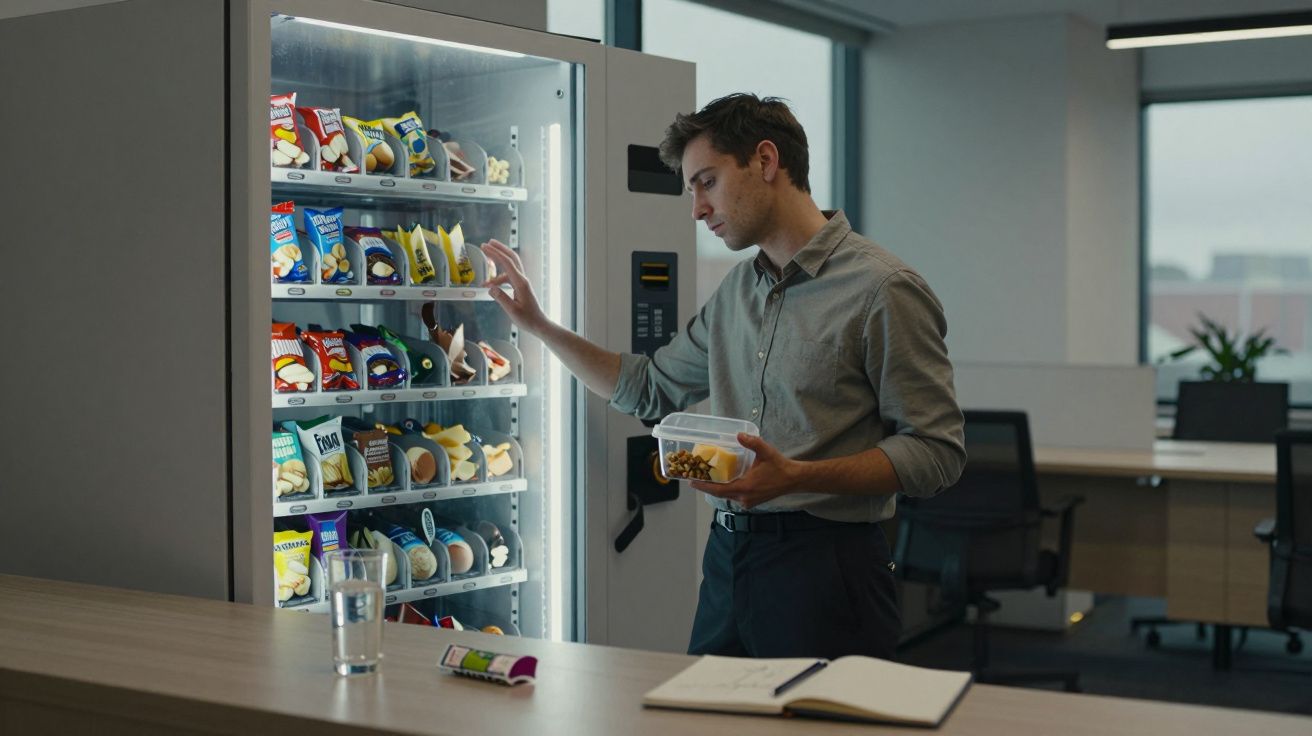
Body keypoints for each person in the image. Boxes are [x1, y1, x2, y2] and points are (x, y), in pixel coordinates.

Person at [481, 93, 965, 661]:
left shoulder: (883, 289)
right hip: (729, 562)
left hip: (829, 570)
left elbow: (937, 453)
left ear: (765, 161)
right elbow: (648, 386)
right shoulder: (738, 291)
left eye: (706, 181)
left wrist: (796, 476)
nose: (696, 209)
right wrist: (538, 325)